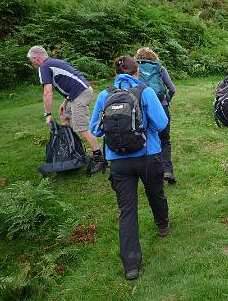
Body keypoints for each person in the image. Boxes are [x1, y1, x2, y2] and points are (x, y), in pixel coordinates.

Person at [89, 56, 169, 280]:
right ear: (137, 72)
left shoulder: (105, 95)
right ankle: (162, 224)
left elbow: (94, 130)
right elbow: (162, 124)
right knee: (155, 193)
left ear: (116, 73)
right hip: (147, 155)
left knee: (127, 210)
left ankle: (131, 265)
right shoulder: (145, 92)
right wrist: (144, 129)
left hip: (118, 161)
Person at [27, 45, 106, 175]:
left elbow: (48, 93)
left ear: (36, 58)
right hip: (77, 92)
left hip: (80, 93)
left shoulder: (44, 67)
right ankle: (70, 150)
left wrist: (48, 114)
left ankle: (99, 158)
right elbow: (70, 81)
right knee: (64, 116)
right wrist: (65, 101)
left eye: (31, 60)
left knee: (82, 127)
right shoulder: (53, 62)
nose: (32, 63)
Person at [135, 47, 177, 184]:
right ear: (154, 57)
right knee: (165, 140)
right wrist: (166, 101)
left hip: (141, 109)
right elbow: (172, 89)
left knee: (146, 139)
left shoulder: (135, 69)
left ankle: (150, 173)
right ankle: (167, 170)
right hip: (161, 106)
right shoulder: (160, 68)